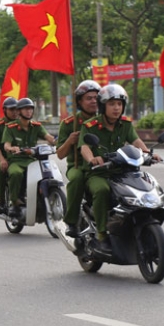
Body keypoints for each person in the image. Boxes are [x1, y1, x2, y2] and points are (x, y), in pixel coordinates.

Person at [79, 84, 158, 256]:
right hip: (98, 173)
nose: (116, 108)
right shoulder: (90, 125)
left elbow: (136, 141)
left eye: (119, 104)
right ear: (102, 106)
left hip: (122, 172)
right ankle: (101, 235)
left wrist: (148, 154)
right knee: (102, 190)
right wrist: (92, 158)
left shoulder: (125, 124)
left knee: (142, 186)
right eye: (112, 104)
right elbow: (84, 147)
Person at [57, 80, 101, 237]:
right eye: (89, 98)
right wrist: (69, 141)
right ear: (79, 102)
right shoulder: (69, 123)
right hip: (78, 166)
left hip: (102, 165)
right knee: (76, 180)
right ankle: (71, 221)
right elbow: (60, 154)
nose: (93, 101)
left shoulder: (104, 120)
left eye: (96, 97)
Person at [1, 97, 55, 219]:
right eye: (26, 109)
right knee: (15, 173)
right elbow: (6, 145)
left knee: (46, 174)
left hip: (32, 160)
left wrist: (58, 141)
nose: (29, 111)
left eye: (30, 109)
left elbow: (48, 137)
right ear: (19, 111)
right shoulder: (10, 127)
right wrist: (11, 148)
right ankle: (14, 202)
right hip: (16, 160)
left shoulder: (36, 126)